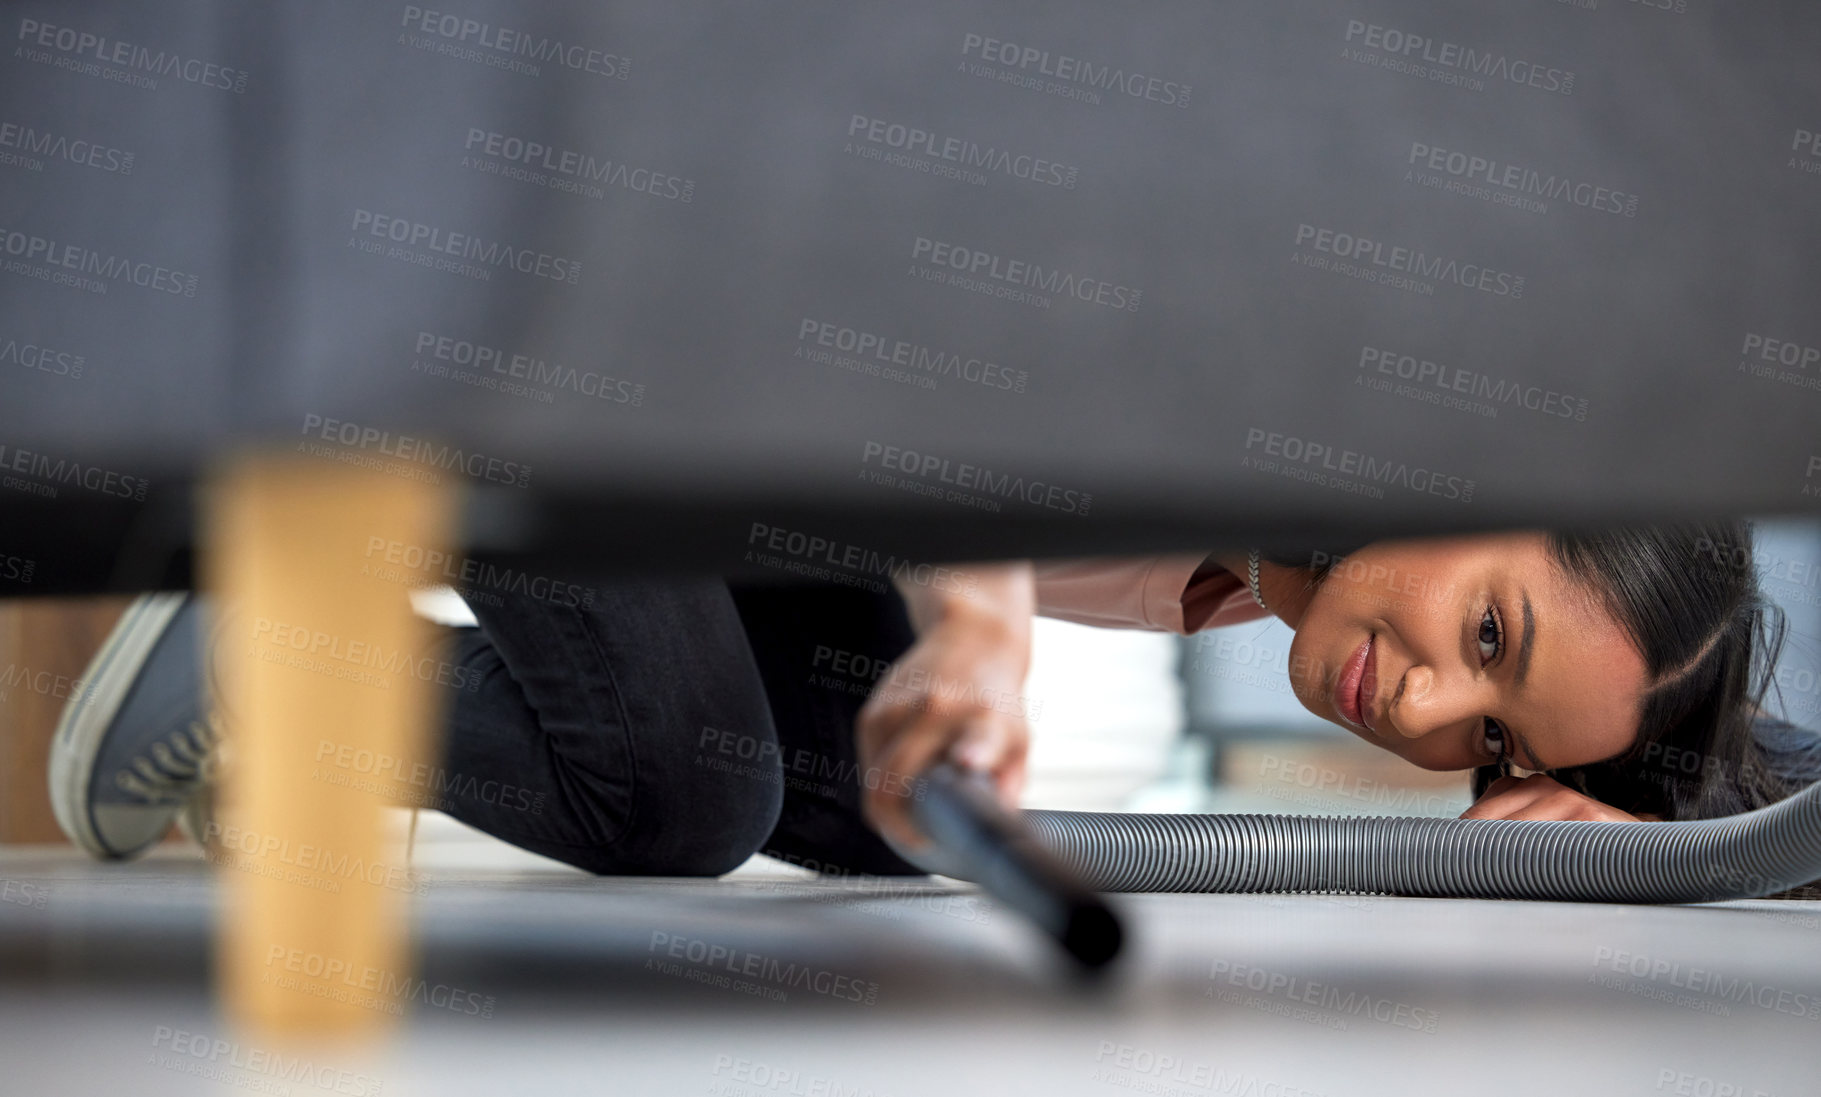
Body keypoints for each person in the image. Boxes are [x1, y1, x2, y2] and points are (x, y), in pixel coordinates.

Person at [47, 520, 1818, 885]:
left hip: (752, 495)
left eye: (1491, 744)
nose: (1433, 710)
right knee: (681, 801)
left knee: (870, 806)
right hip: (608, 340)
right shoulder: (1268, 352)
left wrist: (1652, 841)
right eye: (1489, 630)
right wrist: (977, 637)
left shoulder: (1256, 571)